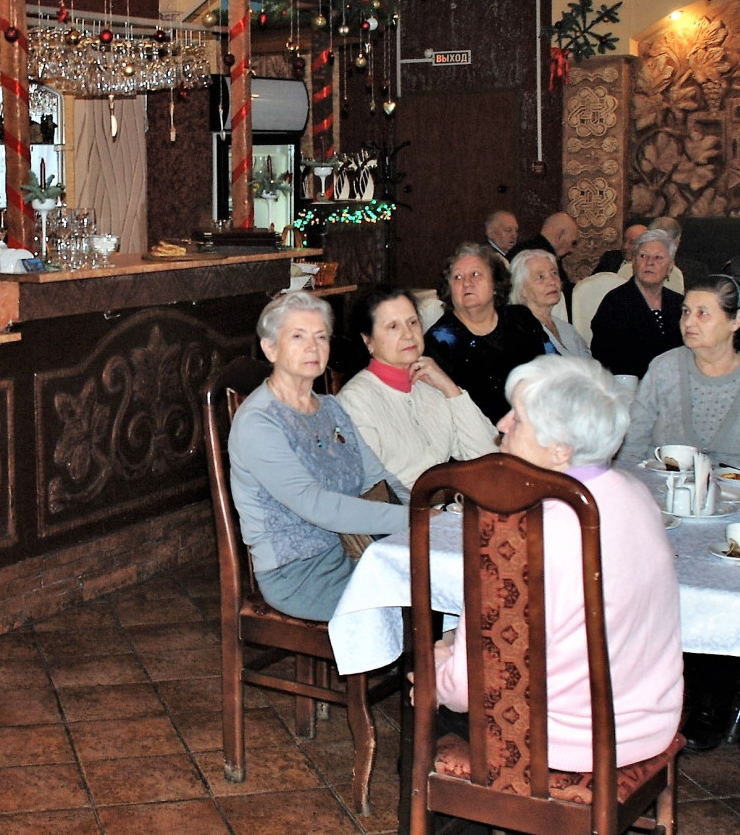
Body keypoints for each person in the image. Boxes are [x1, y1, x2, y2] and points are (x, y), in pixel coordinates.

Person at [435, 355, 683, 769]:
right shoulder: (634, 494)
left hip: (569, 741)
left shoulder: (530, 535)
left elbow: (467, 688)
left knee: (429, 711)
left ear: (559, 451)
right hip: (648, 725)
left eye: (518, 418)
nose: (501, 424)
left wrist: (437, 671)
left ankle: (489, 819)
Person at [227, 290, 411, 621]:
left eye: (321, 336)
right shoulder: (259, 421)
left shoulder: (330, 408)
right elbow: (317, 506)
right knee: (425, 600)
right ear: (270, 348)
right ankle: (434, 664)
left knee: (452, 576)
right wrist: (412, 521)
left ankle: (437, 664)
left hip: (357, 548)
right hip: (300, 573)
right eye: (298, 336)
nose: (313, 347)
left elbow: (377, 477)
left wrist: (421, 511)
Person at [617, 274, 740, 478]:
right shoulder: (664, 368)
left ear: (736, 320)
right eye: (686, 311)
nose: (688, 322)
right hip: (665, 493)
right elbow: (632, 447)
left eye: (702, 314)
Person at [338, 286, 499, 489]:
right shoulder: (355, 401)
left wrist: (450, 388)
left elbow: (489, 458)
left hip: (446, 510)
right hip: (398, 515)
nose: (408, 334)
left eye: (413, 322)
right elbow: (369, 489)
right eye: (393, 327)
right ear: (368, 340)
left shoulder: (431, 388)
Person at [424, 243, 535, 425]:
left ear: (495, 284)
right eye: (457, 277)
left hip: (536, 427)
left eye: (475, 274)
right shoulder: (438, 342)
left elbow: (550, 372)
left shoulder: (520, 319)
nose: (466, 283)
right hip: (480, 440)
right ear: (449, 290)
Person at [588, 229, 684, 379]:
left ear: (670, 266)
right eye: (643, 256)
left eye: (658, 258)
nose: (650, 263)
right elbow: (606, 356)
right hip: (629, 388)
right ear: (634, 262)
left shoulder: (679, 304)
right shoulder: (615, 302)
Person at [509, 246, 590, 360]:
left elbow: (592, 368)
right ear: (522, 289)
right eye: (540, 277)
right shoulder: (519, 331)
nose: (552, 281)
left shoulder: (566, 329)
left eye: (554, 273)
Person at [514, 211, 579, 300]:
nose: (572, 250)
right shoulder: (539, 258)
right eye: (573, 243)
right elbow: (567, 294)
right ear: (559, 235)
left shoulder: (521, 249)